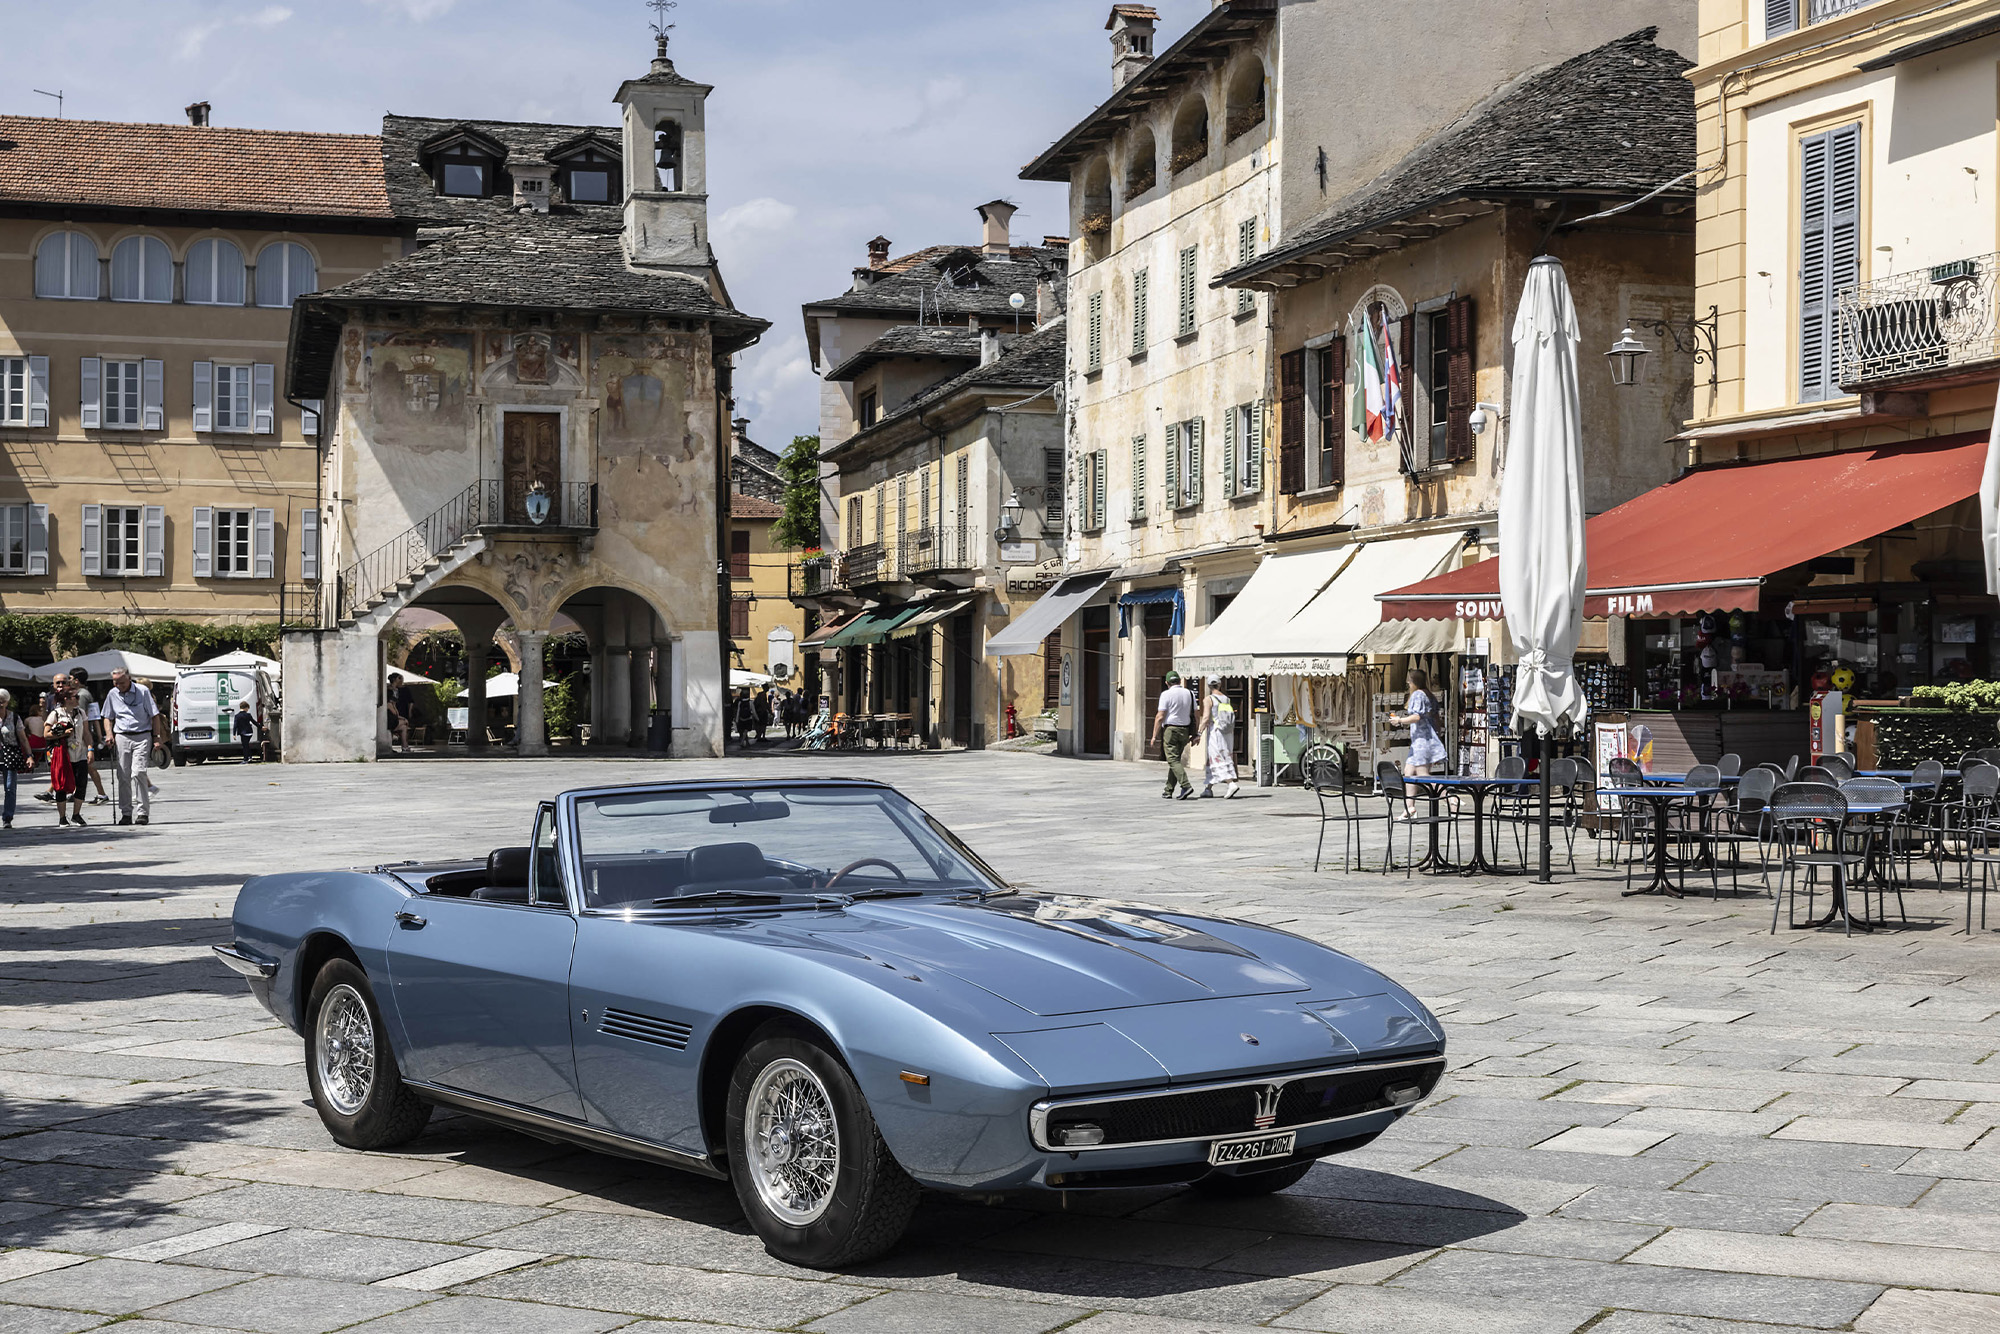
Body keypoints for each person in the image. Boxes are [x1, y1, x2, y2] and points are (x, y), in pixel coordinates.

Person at [102, 667, 160, 826]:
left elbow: (154, 716)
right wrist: (109, 734)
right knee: (123, 775)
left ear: (129, 678)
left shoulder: (143, 691)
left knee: (139, 772)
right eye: (115, 682)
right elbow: (107, 717)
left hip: (142, 735)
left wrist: (157, 737)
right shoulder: (112, 693)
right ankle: (126, 813)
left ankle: (143, 813)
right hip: (122, 736)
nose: (117, 685)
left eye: (120, 682)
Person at [1391, 668, 1449, 809]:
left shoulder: (1417, 695)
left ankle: (1450, 799)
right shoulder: (1429, 695)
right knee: (1408, 772)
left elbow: (1416, 717)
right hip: (1424, 740)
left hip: (1421, 742)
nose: (1408, 684)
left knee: (1423, 775)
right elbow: (1436, 718)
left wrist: (1399, 720)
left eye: (1409, 682)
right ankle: (1409, 807)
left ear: (1413, 682)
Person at [44, 681, 89, 828]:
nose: (78, 699)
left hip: (80, 753)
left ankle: (76, 815)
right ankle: (62, 817)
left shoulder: (81, 712)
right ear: (66, 699)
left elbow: (86, 733)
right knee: (62, 786)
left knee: (81, 784)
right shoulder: (56, 713)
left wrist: (90, 749)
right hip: (63, 755)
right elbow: (46, 734)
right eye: (75, 697)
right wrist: (62, 732)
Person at [1148, 670, 1196, 800]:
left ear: (1166, 682)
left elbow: (1160, 716)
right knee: (1175, 761)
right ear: (1180, 681)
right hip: (1185, 730)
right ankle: (1168, 790)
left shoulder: (1166, 694)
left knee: (1173, 760)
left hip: (1171, 730)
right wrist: (1195, 734)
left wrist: (1154, 735)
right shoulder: (1190, 693)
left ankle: (1186, 785)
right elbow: (1194, 713)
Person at [69, 666, 112, 808]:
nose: (68, 681)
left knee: (87, 765)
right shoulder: (85, 693)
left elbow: (81, 717)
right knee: (85, 765)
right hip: (83, 736)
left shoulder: (81, 695)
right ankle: (98, 793)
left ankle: (101, 794)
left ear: (76, 680)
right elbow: (95, 716)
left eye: (70, 678)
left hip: (81, 736)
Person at [1197, 678, 1241, 799]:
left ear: (1208, 686)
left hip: (1215, 733)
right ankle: (1208, 788)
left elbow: (1206, 718)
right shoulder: (1226, 699)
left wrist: (1199, 733)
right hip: (1227, 733)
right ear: (1220, 684)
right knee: (1217, 757)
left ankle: (1231, 783)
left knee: (1217, 758)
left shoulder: (1209, 699)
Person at [0, 689, 33, 829]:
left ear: (7, 702)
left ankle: (7, 817)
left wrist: (30, 755)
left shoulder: (14, 718)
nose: (0, 703)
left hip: (10, 755)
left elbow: (23, 739)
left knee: (9, 787)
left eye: (2, 700)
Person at [387, 674, 415, 753]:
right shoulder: (389, 695)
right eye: (399, 678)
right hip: (391, 718)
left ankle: (405, 747)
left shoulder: (400, 690)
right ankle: (404, 747)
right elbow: (394, 712)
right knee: (404, 724)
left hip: (396, 715)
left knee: (404, 726)